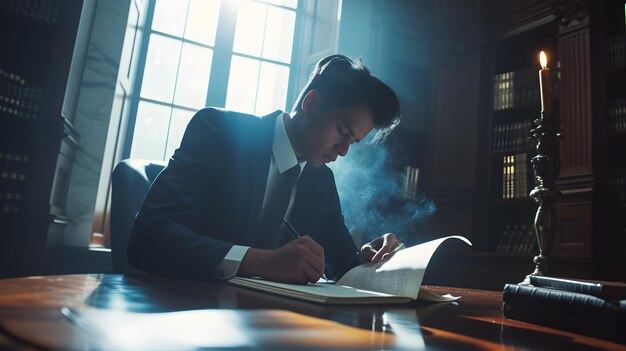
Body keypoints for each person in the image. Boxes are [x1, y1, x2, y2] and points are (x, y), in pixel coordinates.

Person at [127, 55, 402, 284]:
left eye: (352, 142)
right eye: (342, 131)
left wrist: (370, 260)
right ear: (311, 103)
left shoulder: (321, 181)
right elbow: (148, 238)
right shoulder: (219, 132)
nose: (343, 150)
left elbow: (343, 266)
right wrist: (259, 260)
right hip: (183, 312)